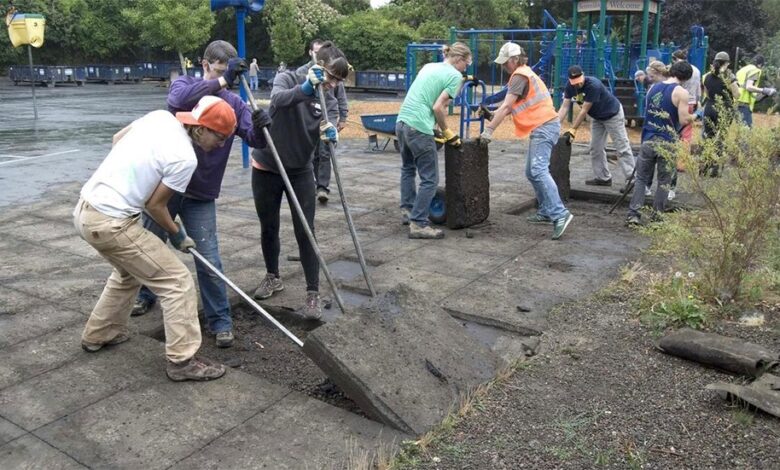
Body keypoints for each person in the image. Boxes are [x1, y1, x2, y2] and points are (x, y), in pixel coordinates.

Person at [74, 95, 237, 382]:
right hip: (112, 223)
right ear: (200, 128)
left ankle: (99, 333)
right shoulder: (185, 158)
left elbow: (117, 139)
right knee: (177, 281)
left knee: (127, 275)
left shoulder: (160, 118)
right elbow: (155, 206)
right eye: (220, 137)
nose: (221, 145)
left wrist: (129, 178)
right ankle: (182, 361)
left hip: (85, 211)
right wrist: (179, 236)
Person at [131, 40, 272, 350]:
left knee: (209, 258)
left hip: (200, 193)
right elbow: (175, 100)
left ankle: (219, 320)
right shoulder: (187, 88)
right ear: (205, 64)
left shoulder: (234, 104)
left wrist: (261, 126)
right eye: (221, 71)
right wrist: (220, 81)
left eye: (230, 74)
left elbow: (254, 138)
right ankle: (144, 294)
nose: (228, 80)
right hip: (164, 188)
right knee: (149, 245)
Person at [251, 41, 349, 320]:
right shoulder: (288, 78)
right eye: (331, 77)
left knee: (306, 230)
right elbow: (277, 102)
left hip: (300, 169)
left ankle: (313, 293)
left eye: (338, 80)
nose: (333, 84)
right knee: (268, 226)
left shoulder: (328, 97)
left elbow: (323, 125)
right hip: (268, 165)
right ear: (317, 66)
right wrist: (305, 89)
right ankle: (273, 276)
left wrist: (329, 135)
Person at [479, 42, 573, 240]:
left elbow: (506, 108)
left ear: (514, 60)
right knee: (532, 172)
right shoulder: (525, 73)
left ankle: (560, 213)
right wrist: (490, 115)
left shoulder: (520, 76)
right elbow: (508, 108)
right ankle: (547, 211)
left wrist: (488, 131)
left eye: (505, 63)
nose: (503, 67)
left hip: (544, 126)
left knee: (538, 170)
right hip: (544, 125)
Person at [396, 42, 471, 239]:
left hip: (402, 122)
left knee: (408, 168)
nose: (466, 69)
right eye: (467, 64)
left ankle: (408, 210)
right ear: (459, 60)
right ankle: (419, 223)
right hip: (418, 127)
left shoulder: (430, 66)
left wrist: (435, 128)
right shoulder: (455, 76)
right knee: (430, 179)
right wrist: (447, 132)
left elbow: (426, 99)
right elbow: (438, 107)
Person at [626, 61, 694, 226]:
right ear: (686, 78)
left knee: (641, 179)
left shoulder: (652, 89)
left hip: (648, 139)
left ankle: (633, 214)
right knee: (664, 181)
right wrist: (696, 116)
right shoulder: (681, 92)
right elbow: (684, 119)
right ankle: (657, 218)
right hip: (667, 142)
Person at [557, 65, 635, 188]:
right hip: (598, 117)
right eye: (574, 83)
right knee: (595, 148)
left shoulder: (593, 85)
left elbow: (583, 111)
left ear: (583, 75)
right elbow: (565, 107)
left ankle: (633, 181)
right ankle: (603, 178)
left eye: (579, 81)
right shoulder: (570, 87)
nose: (577, 85)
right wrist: (556, 125)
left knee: (622, 147)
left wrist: (573, 129)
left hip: (612, 114)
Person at [296, 39, 350, 204]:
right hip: (311, 110)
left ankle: (323, 187)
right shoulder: (301, 72)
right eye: (315, 52)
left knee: (326, 150)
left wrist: (343, 116)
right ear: (311, 53)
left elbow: (340, 94)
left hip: (329, 112)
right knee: (311, 152)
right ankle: (311, 183)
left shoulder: (333, 70)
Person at [700, 51, 740, 176]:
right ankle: (716, 169)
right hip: (724, 109)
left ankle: (704, 167)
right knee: (721, 138)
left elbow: (706, 94)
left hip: (709, 108)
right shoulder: (729, 76)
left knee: (708, 137)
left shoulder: (707, 76)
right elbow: (737, 94)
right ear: (727, 63)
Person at [735, 54, 776, 127]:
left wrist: (765, 94)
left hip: (735, 102)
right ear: (760, 64)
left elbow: (752, 96)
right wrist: (764, 90)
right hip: (744, 104)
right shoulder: (755, 70)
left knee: (741, 130)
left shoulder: (743, 70)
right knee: (746, 131)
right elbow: (749, 87)